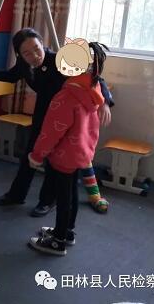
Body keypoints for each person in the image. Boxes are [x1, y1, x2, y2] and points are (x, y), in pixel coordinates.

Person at [0, 28, 113, 216]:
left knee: (54, 163)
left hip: (65, 118)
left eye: (36, 49)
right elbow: (11, 76)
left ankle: (47, 201)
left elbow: (96, 79)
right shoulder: (24, 64)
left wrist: (105, 103)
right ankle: (16, 195)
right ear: (20, 55)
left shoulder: (58, 60)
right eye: (26, 53)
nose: (34, 56)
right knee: (29, 156)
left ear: (42, 44)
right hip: (42, 114)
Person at [27, 42, 109, 256]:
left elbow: (51, 132)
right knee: (71, 193)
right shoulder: (93, 88)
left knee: (63, 197)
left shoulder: (66, 97)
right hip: (81, 151)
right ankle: (67, 231)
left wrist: (37, 155)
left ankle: (58, 241)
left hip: (64, 156)